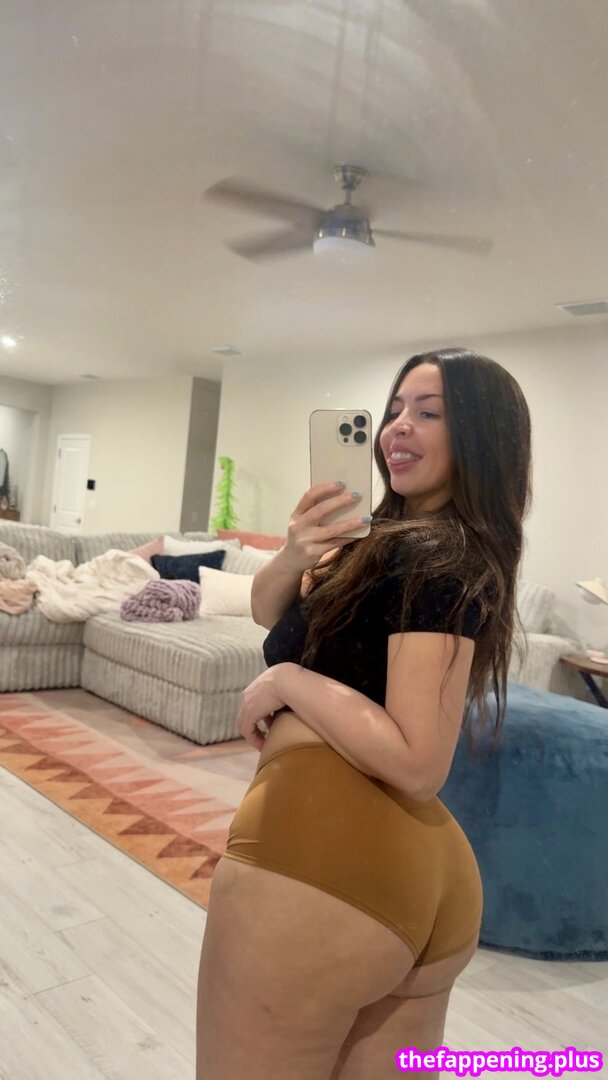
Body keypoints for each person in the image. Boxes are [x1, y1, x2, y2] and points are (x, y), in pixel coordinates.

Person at [196, 347, 532, 1080]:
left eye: (430, 412)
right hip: (418, 873)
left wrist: (290, 681)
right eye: (395, 409)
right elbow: (269, 612)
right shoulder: (392, 543)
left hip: (323, 860)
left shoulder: (434, 558)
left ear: (481, 436)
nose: (397, 427)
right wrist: (295, 552)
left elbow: (417, 759)